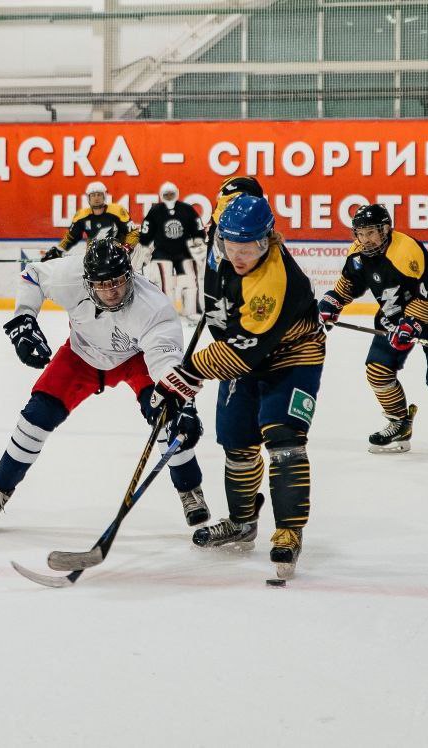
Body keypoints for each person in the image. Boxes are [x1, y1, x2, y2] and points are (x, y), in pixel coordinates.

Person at [0, 236, 208, 533]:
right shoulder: (70, 275)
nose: (112, 291)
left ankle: (190, 490)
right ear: (87, 281)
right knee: (36, 416)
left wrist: (183, 403)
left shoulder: (153, 307)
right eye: (102, 284)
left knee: (168, 417)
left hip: (135, 359)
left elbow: (165, 361)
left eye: (117, 282)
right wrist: (24, 321)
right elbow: (32, 275)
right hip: (81, 356)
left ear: (130, 275)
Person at [159, 195, 325, 579]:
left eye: (247, 248)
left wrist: (186, 373)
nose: (238, 256)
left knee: (284, 439)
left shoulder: (273, 280)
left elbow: (243, 352)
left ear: (267, 240)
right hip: (243, 349)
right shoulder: (223, 247)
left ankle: (288, 532)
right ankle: (242, 522)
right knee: (236, 441)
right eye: (230, 245)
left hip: (292, 357)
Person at [317, 204, 428, 453]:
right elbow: (348, 284)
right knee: (377, 371)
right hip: (394, 314)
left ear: (385, 229)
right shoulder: (357, 254)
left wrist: (412, 323)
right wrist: (332, 301)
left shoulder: (407, 251)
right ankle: (400, 423)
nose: (365, 239)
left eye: (371, 232)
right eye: (360, 233)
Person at [138, 181, 206, 322]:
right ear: (161, 195)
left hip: (184, 251)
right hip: (162, 252)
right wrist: (144, 247)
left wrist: (199, 238)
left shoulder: (187, 209)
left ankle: (191, 310)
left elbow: (198, 227)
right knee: (166, 284)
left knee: (190, 282)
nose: (169, 197)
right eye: (166, 194)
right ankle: (168, 312)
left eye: (171, 194)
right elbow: (146, 232)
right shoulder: (155, 211)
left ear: (177, 193)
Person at [43, 181, 139, 260]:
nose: (96, 198)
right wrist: (58, 250)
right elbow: (71, 237)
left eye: (99, 195)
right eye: (93, 195)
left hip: (117, 254)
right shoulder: (81, 215)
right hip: (93, 256)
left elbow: (133, 232)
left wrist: (126, 247)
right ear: (88, 198)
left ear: (104, 196)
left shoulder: (117, 211)